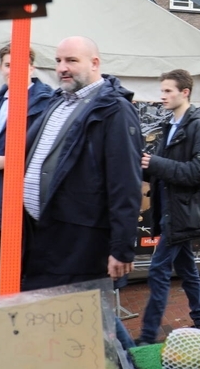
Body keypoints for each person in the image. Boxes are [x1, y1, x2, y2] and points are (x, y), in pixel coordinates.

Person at [22, 36, 141, 351]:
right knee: (75, 319)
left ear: (94, 63)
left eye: (71, 61)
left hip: (80, 241)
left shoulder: (114, 109)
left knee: (86, 321)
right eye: (59, 61)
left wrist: (121, 248)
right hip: (44, 236)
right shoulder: (57, 102)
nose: (62, 68)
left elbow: (125, 181)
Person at [136, 69, 200, 346]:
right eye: (162, 90)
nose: (162, 96)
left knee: (157, 270)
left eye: (168, 91)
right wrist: (143, 167)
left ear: (185, 92)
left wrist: (155, 164)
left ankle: (146, 335)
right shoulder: (171, 126)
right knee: (187, 268)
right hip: (174, 211)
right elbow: (167, 170)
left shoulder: (197, 125)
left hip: (182, 214)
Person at [0, 44, 52, 296]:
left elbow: (49, 152)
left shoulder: (46, 103)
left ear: (31, 67)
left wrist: (9, 162)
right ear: (1, 68)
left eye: (19, 65)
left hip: (27, 203)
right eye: (8, 65)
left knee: (25, 265)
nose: (13, 71)